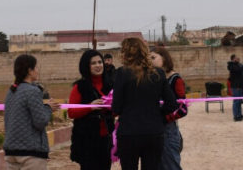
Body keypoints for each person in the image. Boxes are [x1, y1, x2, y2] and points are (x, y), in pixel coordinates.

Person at [112, 37, 177, 170]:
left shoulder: (121, 73)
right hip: (154, 132)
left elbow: (116, 108)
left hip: (128, 133)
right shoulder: (158, 73)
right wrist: (157, 114)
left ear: (125, 53)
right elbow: (171, 104)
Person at [3, 54, 61, 170]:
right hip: (30, 153)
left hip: (11, 152)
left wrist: (44, 106)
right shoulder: (32, 91)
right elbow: (40, 121)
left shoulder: (12, 91)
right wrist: (48, 109)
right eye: (36, 68)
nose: (37, 70)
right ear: (30, 71)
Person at [68, 50, 115, 170]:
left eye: (100, 62)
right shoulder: (80, 87)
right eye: (93, 63)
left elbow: (115, 111)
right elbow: (71, 112)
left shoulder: (110, 85)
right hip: (87, 141)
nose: (98, 65)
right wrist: (90, 106)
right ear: (86, 66)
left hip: (106, 139)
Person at [149, 46, 188, 170]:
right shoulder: (153, 78)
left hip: (168, 132)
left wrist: (164, 119)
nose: (150, 61)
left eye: (153, 57)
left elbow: (183, 109)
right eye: (148, 58)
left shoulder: (175, 79)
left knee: (171, 166)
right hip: (153, 130)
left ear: (164, 58)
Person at [227, 54, 243, 121]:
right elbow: (238, 70)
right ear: (233, 59)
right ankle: (236, 116)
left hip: (240, 85)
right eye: (236, 58)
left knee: (239, 101)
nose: (238, 59)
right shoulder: (231, 65)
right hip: (235, 86)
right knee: (236, 101)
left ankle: (239, 115)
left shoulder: (238, 64)